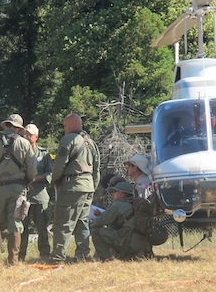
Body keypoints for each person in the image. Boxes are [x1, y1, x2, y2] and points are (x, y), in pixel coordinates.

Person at [0, 113, 37, 265]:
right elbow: (32, 169)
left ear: (6, 126)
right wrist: (28, 180)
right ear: (19, 128)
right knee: (16, 222)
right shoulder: (25, 144)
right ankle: (13, 261)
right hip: (18, 188)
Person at [49, 113, 100, 264]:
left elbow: (59, 165)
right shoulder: (91, 142)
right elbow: (97, 169)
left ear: (71, 125)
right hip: (88, 187)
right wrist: (92, 187)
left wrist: (54, 181)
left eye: (65, 126)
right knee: (82, 221)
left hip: (72, 187)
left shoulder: (68, 140)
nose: (64, 130)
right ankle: (83, 255)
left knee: (64, 222)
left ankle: (58, 257)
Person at [91, 181, 153, 261]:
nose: (112, 194)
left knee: (95, 231)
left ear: (122, 193)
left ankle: (106, 259)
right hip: (143, 243)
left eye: (114, 191)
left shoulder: (118, 205)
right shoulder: (135, 204)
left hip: (128, 242)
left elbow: (101, 221)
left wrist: (91, 223)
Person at [19, 123, 53, 262]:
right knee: (22, 228)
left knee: (42, 228)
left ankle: (45, 255)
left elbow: (51, 174)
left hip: (39, 196)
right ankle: (20, 256)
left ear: (36, 137)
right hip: (24, 196)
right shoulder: (19, 153)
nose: (26, 136)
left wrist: (35, 179)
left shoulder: (44, 154)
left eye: (29, 134)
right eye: (25, 134)